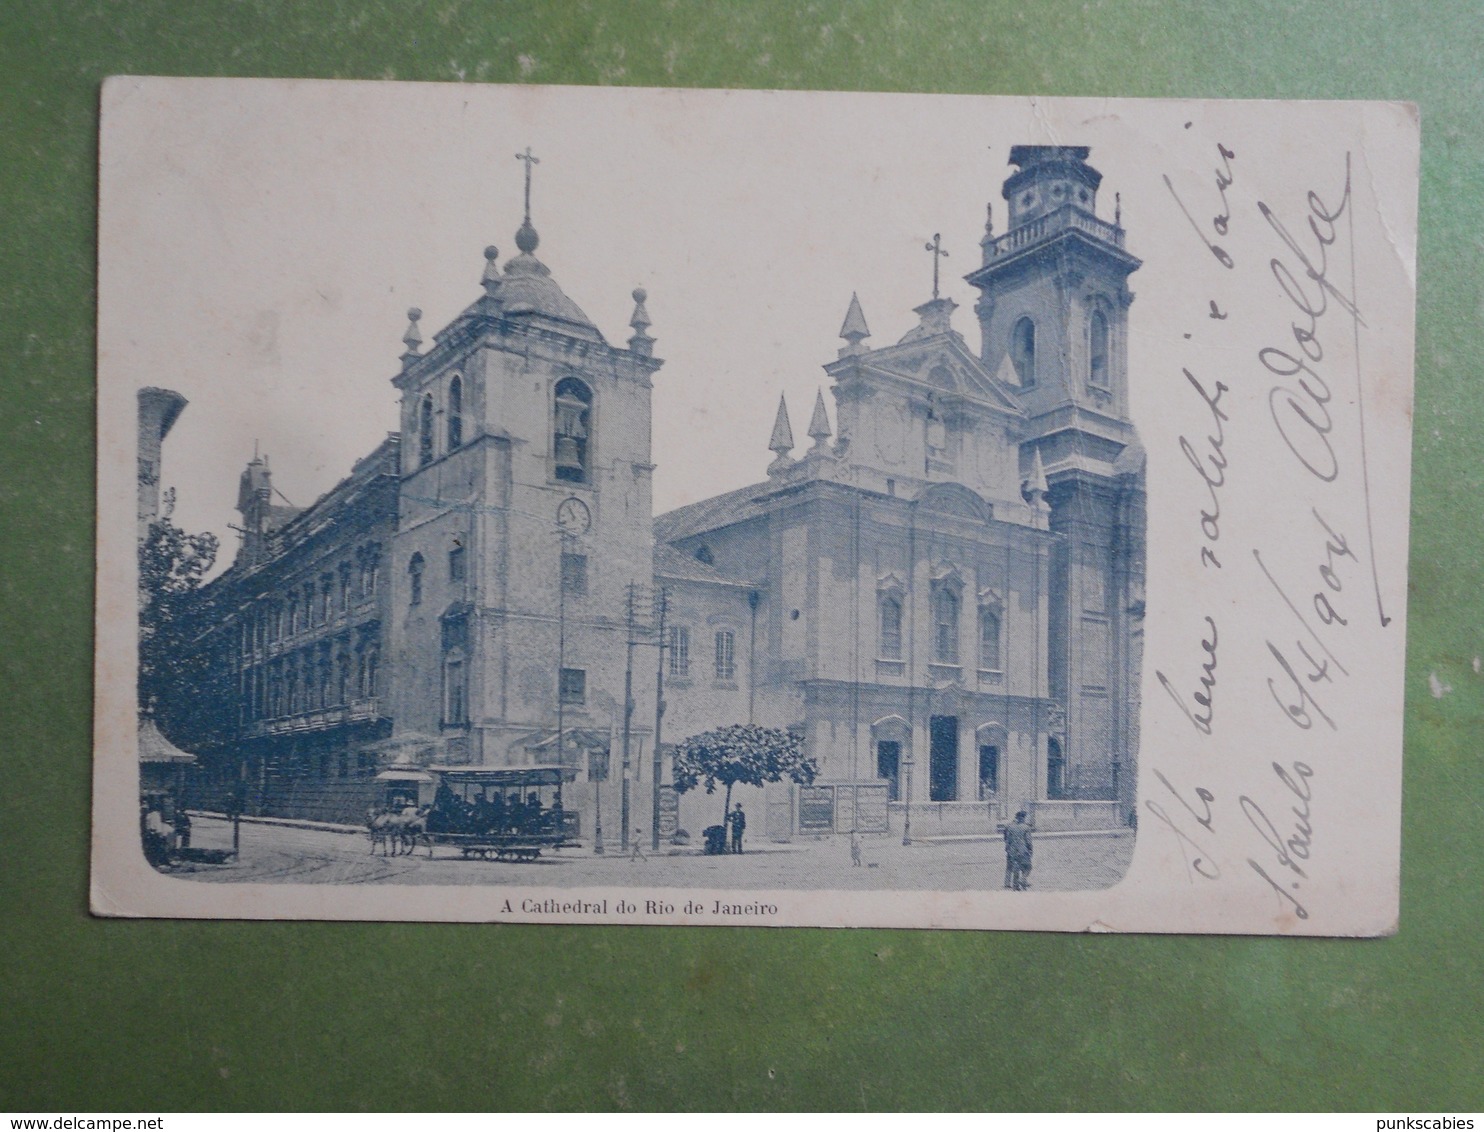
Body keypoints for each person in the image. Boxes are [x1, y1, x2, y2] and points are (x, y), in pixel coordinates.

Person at [1003, 810, 1033, 890]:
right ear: (1023, 818)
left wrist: (1007, 848)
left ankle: (1015, 885)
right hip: (1023, 850)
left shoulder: (1010, 826)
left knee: (1015, 867)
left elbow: (1007, 839)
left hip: (1012, 850)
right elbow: (1028, 841)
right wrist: (1030, 850)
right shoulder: (1026, 827)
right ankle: (1022, 879)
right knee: (1028, 867)